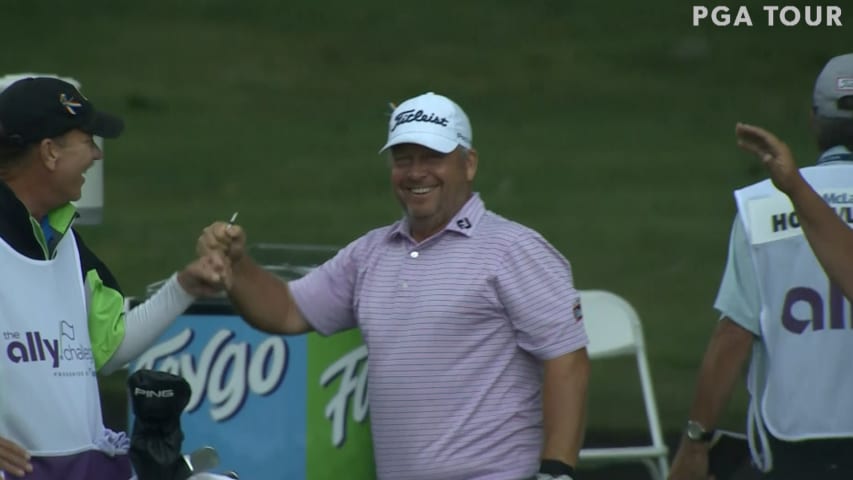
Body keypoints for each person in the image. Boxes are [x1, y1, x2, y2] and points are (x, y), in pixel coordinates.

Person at [197, 92, 590, 480]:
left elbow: (567, 361)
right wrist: (236, 267)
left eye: (433, 157)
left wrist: (556, 473)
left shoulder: (515, 250)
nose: (416, 172)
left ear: (468, 164)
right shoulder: (369, 254)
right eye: (404, 160)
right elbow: (286, 310)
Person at [0, 77, 230, 480]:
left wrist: (186, 287)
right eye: (87, 140)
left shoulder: (65, 239)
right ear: (50, 152)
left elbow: (110, 346)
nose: (96, 155)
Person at [669, 53, 853, 480]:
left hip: (791, 438)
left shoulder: (764, 205)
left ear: (814, 121)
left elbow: (734, 332)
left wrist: (696, 443)